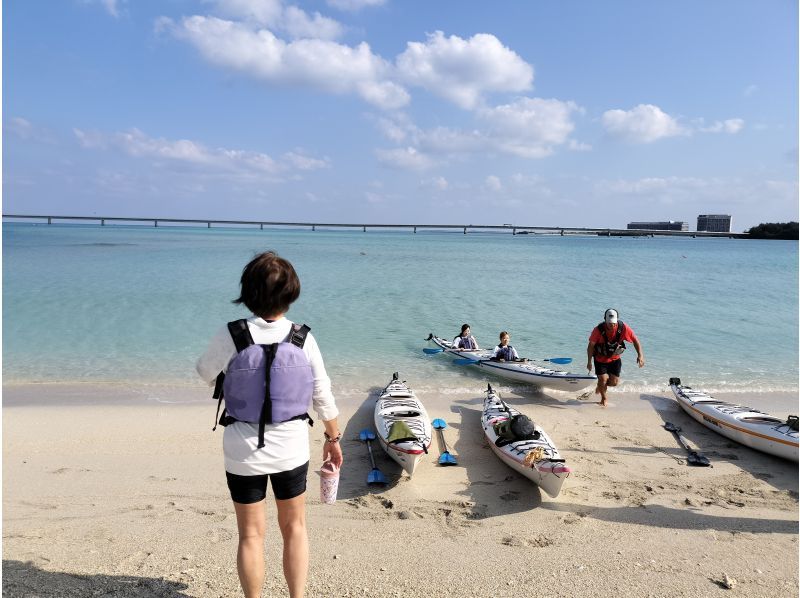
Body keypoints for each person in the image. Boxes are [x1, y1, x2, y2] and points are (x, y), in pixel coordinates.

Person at [196, 251, 343, 598]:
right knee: (294, 528)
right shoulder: (303, 337)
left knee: (250, 535)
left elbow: (205, 373)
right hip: (290, 448)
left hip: (242, 450)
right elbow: (323, 394)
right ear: (291, 294)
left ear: (247, 292)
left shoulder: (232, 334)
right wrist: (332, 437)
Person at [586, 308, 645, 407]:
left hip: (615, 359)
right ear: (605, 320)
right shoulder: (598, 330)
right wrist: (589, 362)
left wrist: (640, 355)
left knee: (614, 383)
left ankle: (600, 386)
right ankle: (603, 398)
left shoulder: (623, 328)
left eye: (613, 323)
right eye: (609, 323)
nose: (612, 325)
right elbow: (590, 346)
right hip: (600, 359)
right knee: (603, 379)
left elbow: (635, 340)